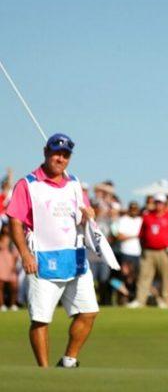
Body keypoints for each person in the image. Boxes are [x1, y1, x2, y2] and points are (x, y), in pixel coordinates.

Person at [6, 133, 98, 367]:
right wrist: (25, 254)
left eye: (66, 155)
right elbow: (15, 221)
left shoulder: (75, 183)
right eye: (57, 153)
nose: (61, 159)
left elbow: (83, 215)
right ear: (45, 152)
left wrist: (89, 215)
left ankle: (69, 360)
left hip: (76, 259)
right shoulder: (28, 184)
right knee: (40, 319)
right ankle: (44, 371)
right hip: (41, 259)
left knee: (88, 312)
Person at [127, 193, 168, 309]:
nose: (159, 205)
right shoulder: (148, 216)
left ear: (165, 204)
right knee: (144, 276)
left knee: (165, 277)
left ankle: (164, 300)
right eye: (157, 202)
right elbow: (142, 235)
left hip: (165, 251)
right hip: (148, 251)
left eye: (161, 203)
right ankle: (140, 300)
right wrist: (143, 249)